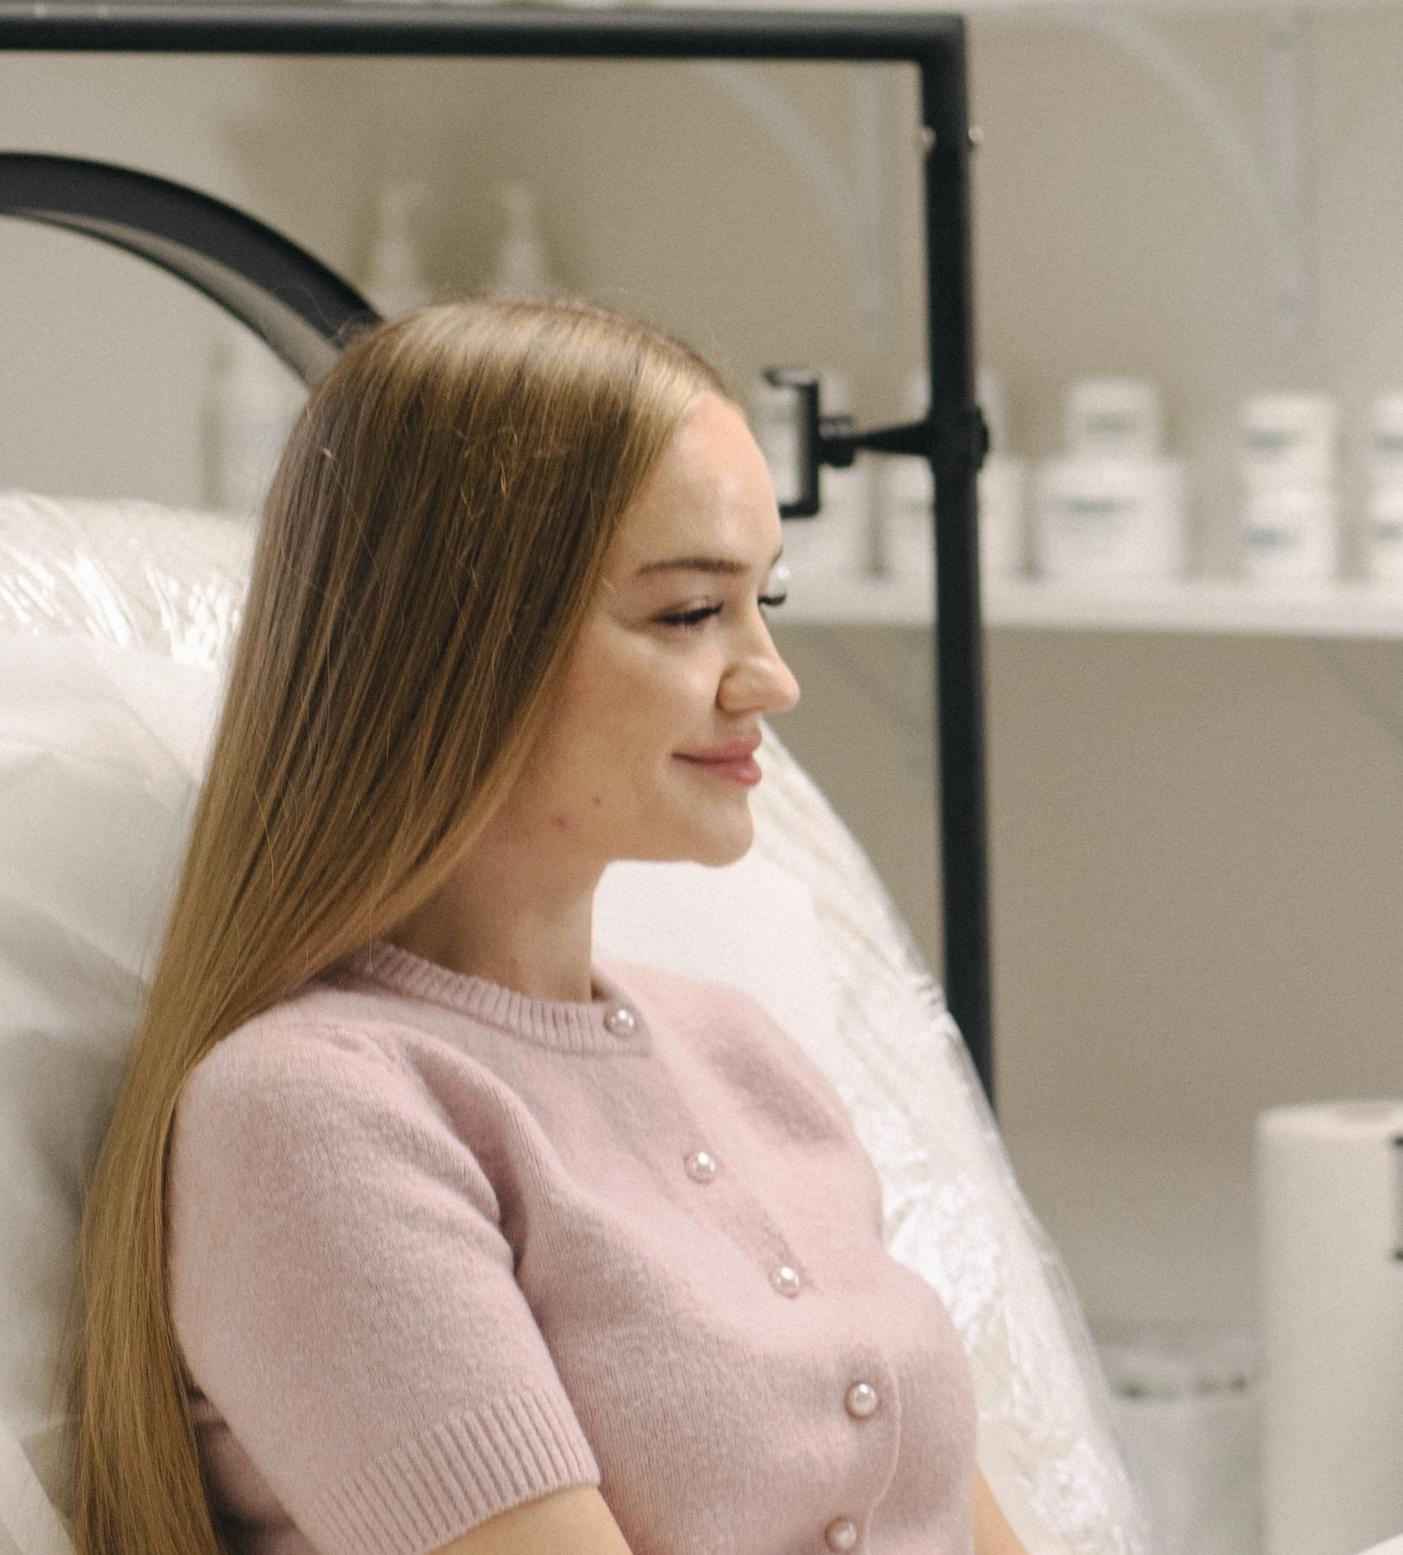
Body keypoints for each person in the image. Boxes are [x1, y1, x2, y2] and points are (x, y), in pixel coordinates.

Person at [66, 299, 1030, 1555]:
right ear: (459, 646)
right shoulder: (313, 1114)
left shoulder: (742, 1054)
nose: (770, 678)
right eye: (690, 614)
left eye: (763, 601)